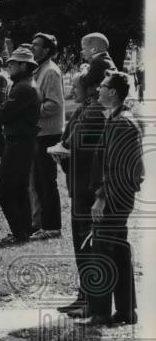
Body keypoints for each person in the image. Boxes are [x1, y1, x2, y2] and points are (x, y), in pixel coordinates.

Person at [84, 71, 141, 326]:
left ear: (114, 92)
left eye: (103, 86)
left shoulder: (120, 122)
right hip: (121, 195)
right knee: (118, 249)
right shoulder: (119, 119)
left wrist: (101, 197)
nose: (98, 90)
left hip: (114, 196)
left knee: (102, 251)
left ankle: (101, 312)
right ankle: (127, 311)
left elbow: (115, 167)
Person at [51, 73, 105, 316]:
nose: (73, 92)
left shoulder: (93, 112)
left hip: (86, 186)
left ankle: (89, 298)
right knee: (81, 244)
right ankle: (84, 295)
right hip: (79, 184)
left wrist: (64, 153)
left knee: (85, 244)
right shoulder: (87, 109)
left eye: (75, 86)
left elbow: (77, 145)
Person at [0, 47, 41, 243]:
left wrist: (1, 107)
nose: (9, 67)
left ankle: (19, 231)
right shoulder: (27, 84)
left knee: (3, 190)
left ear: (24, 65)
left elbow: (3, 114)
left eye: (13, 64)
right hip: (24, 142)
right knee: (19, 189)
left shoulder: (22, 87)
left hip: (19, 143)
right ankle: (24, 230)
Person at [30, 33, 65, 238]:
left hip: (48, 134)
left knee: (46, 181)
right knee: (39, 181)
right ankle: (43, 223)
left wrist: (30, 109)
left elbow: (54, 104)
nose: (32, 48)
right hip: (39, 132)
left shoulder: (51, 72)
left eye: (36, 45)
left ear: (47, 50)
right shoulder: (40, 69)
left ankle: (52, 226)